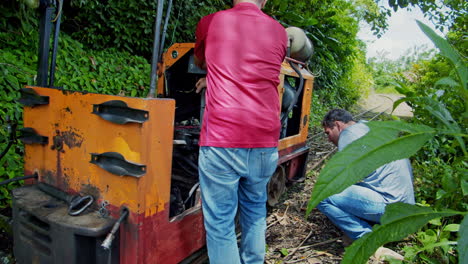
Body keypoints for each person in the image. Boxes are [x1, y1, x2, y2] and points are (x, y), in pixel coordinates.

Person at [193, 0, 288, 263]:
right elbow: (258, 70)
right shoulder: (279, 31)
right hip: (264, 141)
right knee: (255, 210)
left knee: (221, 225)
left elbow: (202, 60)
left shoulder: (212, 22)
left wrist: (211, 78)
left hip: (223, 138)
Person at [318, 109, 415, 244]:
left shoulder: (348, 134)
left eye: (328, 133)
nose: (328, 139)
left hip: (391, 207)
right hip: (406, 207)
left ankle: (366, 239)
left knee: (322, 196)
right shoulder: (367, 127)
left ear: (338, 125)